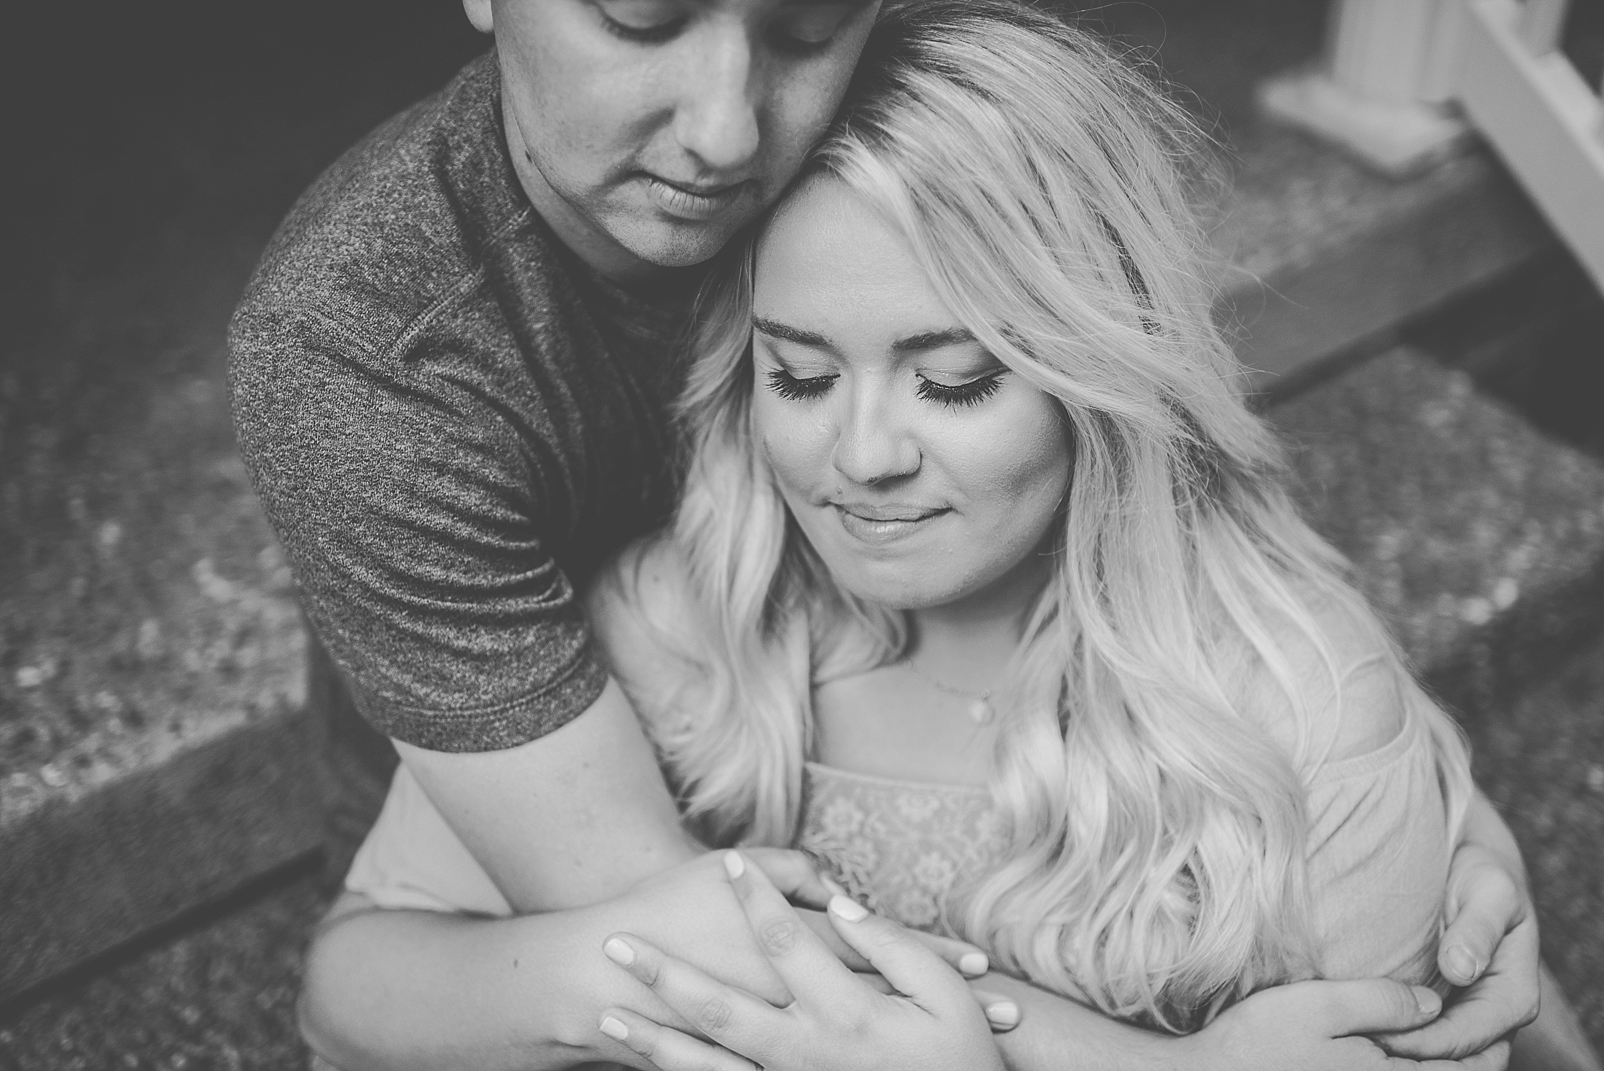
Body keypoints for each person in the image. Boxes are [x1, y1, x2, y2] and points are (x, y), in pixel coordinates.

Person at [227, 0, 1551, 1067]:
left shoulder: (861, 139)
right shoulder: (381, 376)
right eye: (797, 375)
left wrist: (1407, 802)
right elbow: (710, 967)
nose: (727, 133)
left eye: (956, 381)